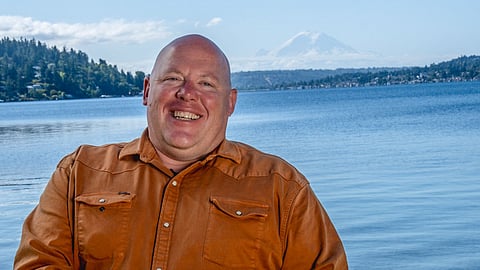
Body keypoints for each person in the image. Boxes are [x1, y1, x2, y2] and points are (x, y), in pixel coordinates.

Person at [14, 34, 348, 269]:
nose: (187, 94)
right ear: (147, 90)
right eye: (173, 78)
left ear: (230, 102)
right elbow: (38, 264)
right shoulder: (79, 173)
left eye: (206, 83)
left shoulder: (282, 188)